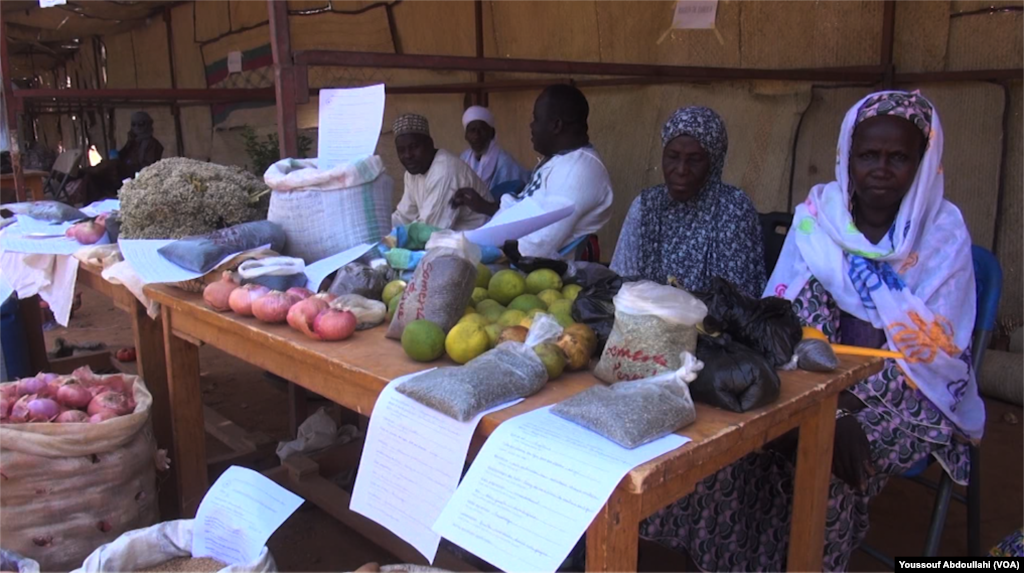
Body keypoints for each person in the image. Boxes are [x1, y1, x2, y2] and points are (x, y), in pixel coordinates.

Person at [641, 91, 985, 572]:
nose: (881, 169)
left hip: (908, 395)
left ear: (924, 162)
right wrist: (822, 402)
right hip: (812, 378)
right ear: (848, 155)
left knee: (822, 467)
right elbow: (786, 323)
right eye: (868, 155)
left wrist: (839, 411)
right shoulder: (819, 220)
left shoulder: (943, 235)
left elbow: (936, 355)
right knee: (733, 448)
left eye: (899, 157)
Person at [610, 106, 765, 296]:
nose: (681, 169)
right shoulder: (646, 205)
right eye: (673, 157)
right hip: (646, 319)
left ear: (713, 162)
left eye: (695, 159)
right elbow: (620, 281)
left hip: (712, 324)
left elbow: (739, 301)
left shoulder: (733, 209)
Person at [451, 84, 613, 260]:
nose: (531, 126)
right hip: (509, 259)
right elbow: (522, 211)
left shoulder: (580, 171)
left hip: (535, 275)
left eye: (536, 119)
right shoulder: (560, 161)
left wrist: (480, 249)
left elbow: (537, 244)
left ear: (556, 125)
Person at [390, 113, 492, 232]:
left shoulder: (445, 171)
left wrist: (392, 238)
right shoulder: (412, 174)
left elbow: (429, 229)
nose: (408, 155)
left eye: (414, 147)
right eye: (401, 150)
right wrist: (378, 231)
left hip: (478, 240)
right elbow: (404, 216)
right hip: (452, 240)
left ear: (429, 144)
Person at [83, 111, 164, 202]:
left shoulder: (153, 144)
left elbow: (148, 167)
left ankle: (82, 172)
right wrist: (129, 142)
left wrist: (125, 166)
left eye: (141, 124)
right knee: (91, 178)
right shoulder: (133, 142)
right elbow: (121, 155)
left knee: (113, 164)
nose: (137, 127)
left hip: (136, 173)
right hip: (122, 172)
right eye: (134, 125)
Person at [459, 105, 530, 196]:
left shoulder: (504, 161)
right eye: (472, 130)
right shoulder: (463, 158)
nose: (477, 135)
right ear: (466, 135)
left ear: (492, 133)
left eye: (482, 130)